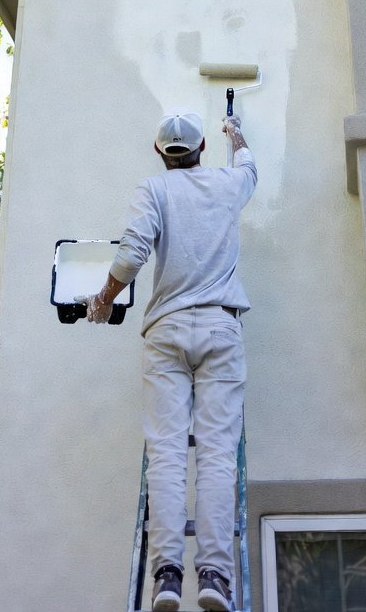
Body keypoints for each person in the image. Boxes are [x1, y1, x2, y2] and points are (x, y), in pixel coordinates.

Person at [86, 109, 257, 612]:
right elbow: (250, 167)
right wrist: (235, 132)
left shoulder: (154, 190)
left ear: (159, 152)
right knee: (217, 453)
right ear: (202, 148)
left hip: (167, 332)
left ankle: (166, 576)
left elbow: (132, 253)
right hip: (221, 327)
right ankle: (215, 577)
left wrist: (104, 299)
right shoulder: (229, 183)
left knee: (166, 453)